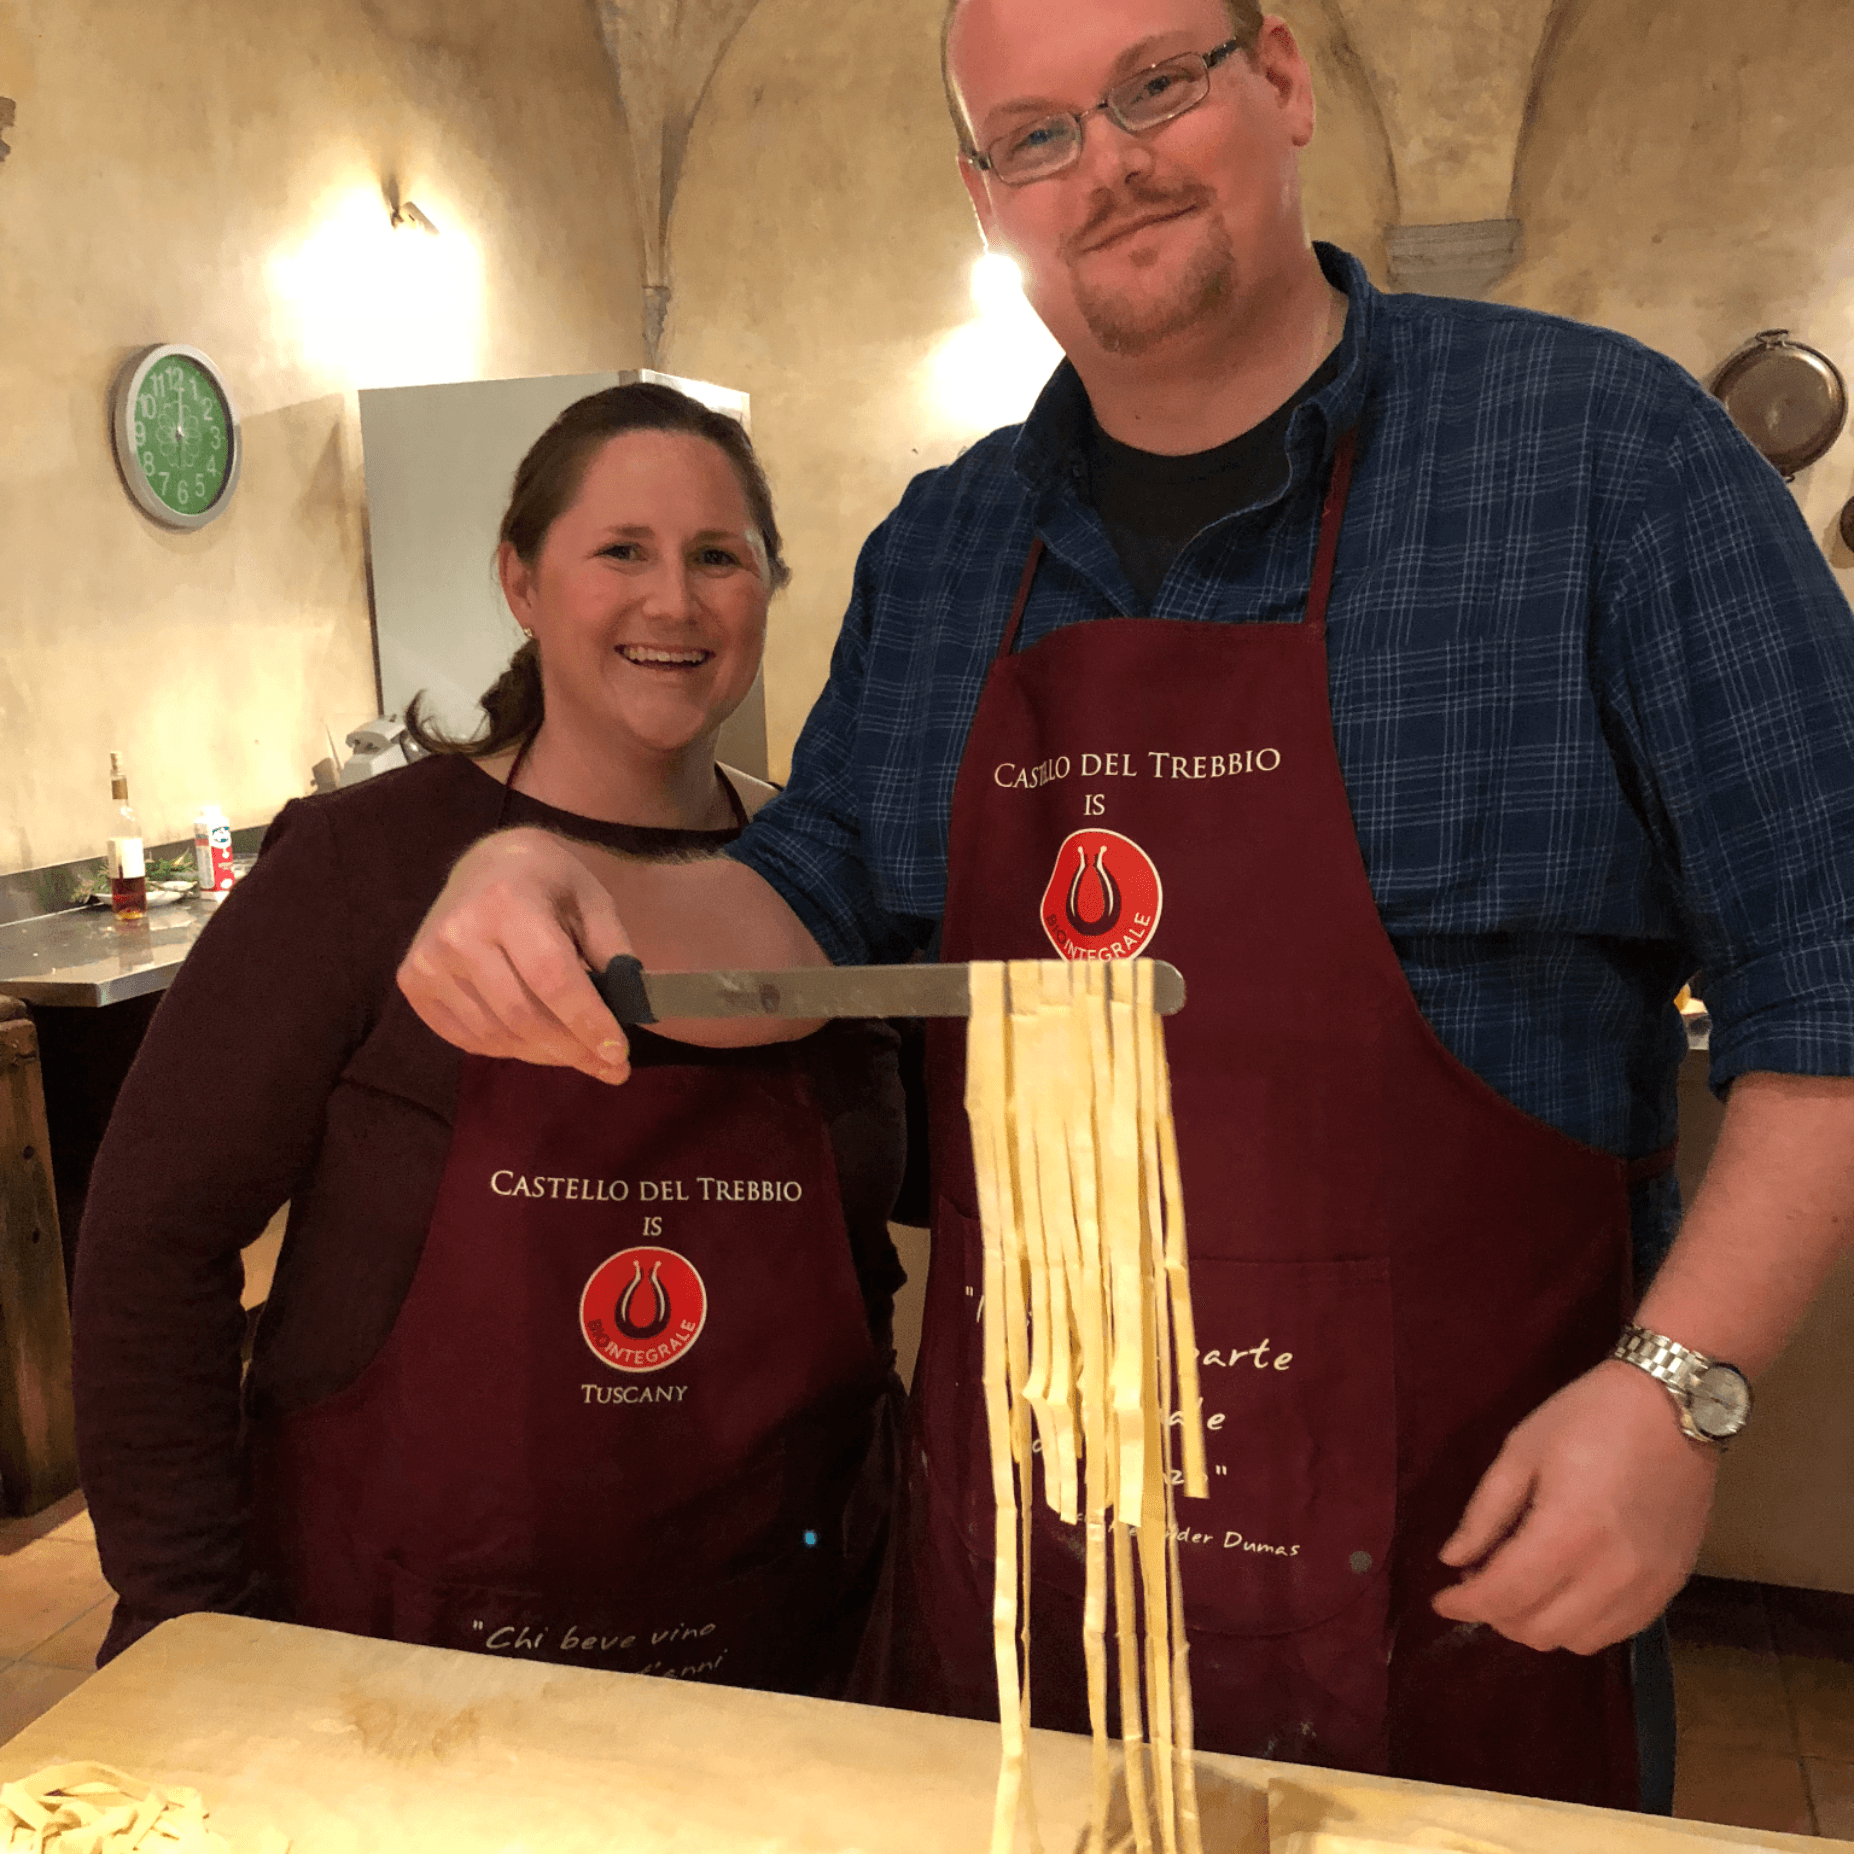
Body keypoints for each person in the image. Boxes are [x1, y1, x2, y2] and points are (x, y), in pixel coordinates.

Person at [392, 0, 1854, 1812]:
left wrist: (1675, 1387)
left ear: (1284, 80)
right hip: (1036, 1582)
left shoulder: (1601, 464)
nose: (1110, 164)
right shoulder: (947, 546)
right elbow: (806, 920)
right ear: (983, 192)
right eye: (1035, 133)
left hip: (1469, 1569)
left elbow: (1829, 985)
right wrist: (555, 879)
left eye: (1157, 81)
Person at [72, 383, 909, 1699]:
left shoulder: (828, 881)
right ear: (519, 580)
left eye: (718, 557)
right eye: (619, 550)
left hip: (773, 1642)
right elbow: (150, 1239)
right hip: (393, 1653)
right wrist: (189, 1612)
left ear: (767, 588)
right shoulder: (360, 867)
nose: (673, 602)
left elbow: (885, 1235)